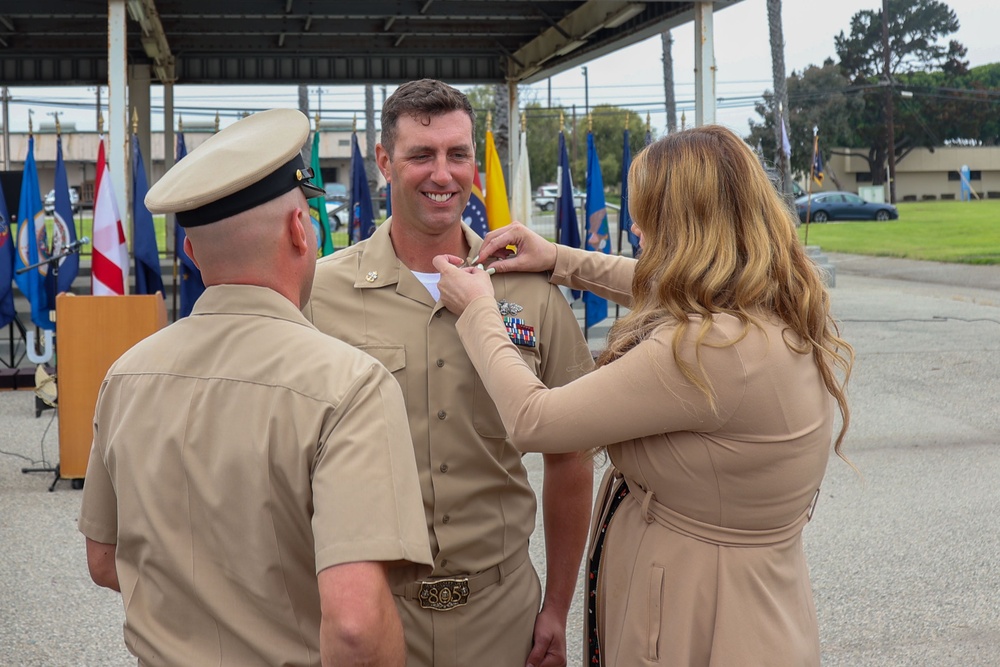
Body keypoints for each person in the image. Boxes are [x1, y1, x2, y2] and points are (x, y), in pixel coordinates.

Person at [432, 124, 855, 666]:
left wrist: (478, 311)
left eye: (645, 213)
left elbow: (536, 420)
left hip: (700, 624)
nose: (631, 225)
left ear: (685, 224)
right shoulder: (767, 298)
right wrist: (559, 258)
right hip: (740, 603)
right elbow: (669, 283)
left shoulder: (708, 350)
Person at [79, 108, 433, 667]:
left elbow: (104, 560)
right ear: (299, 230)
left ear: (191, 256)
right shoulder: (350, 384)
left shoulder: (125, 374)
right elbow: (357, 626)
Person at [305, 79, 595, 667]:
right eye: (422, 155)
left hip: (502, 613)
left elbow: (571, 457)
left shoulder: (529, 291)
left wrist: (558, 608)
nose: (444, 174)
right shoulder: (321, 292)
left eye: (458, 154)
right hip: (378, 612)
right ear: (385, 162)